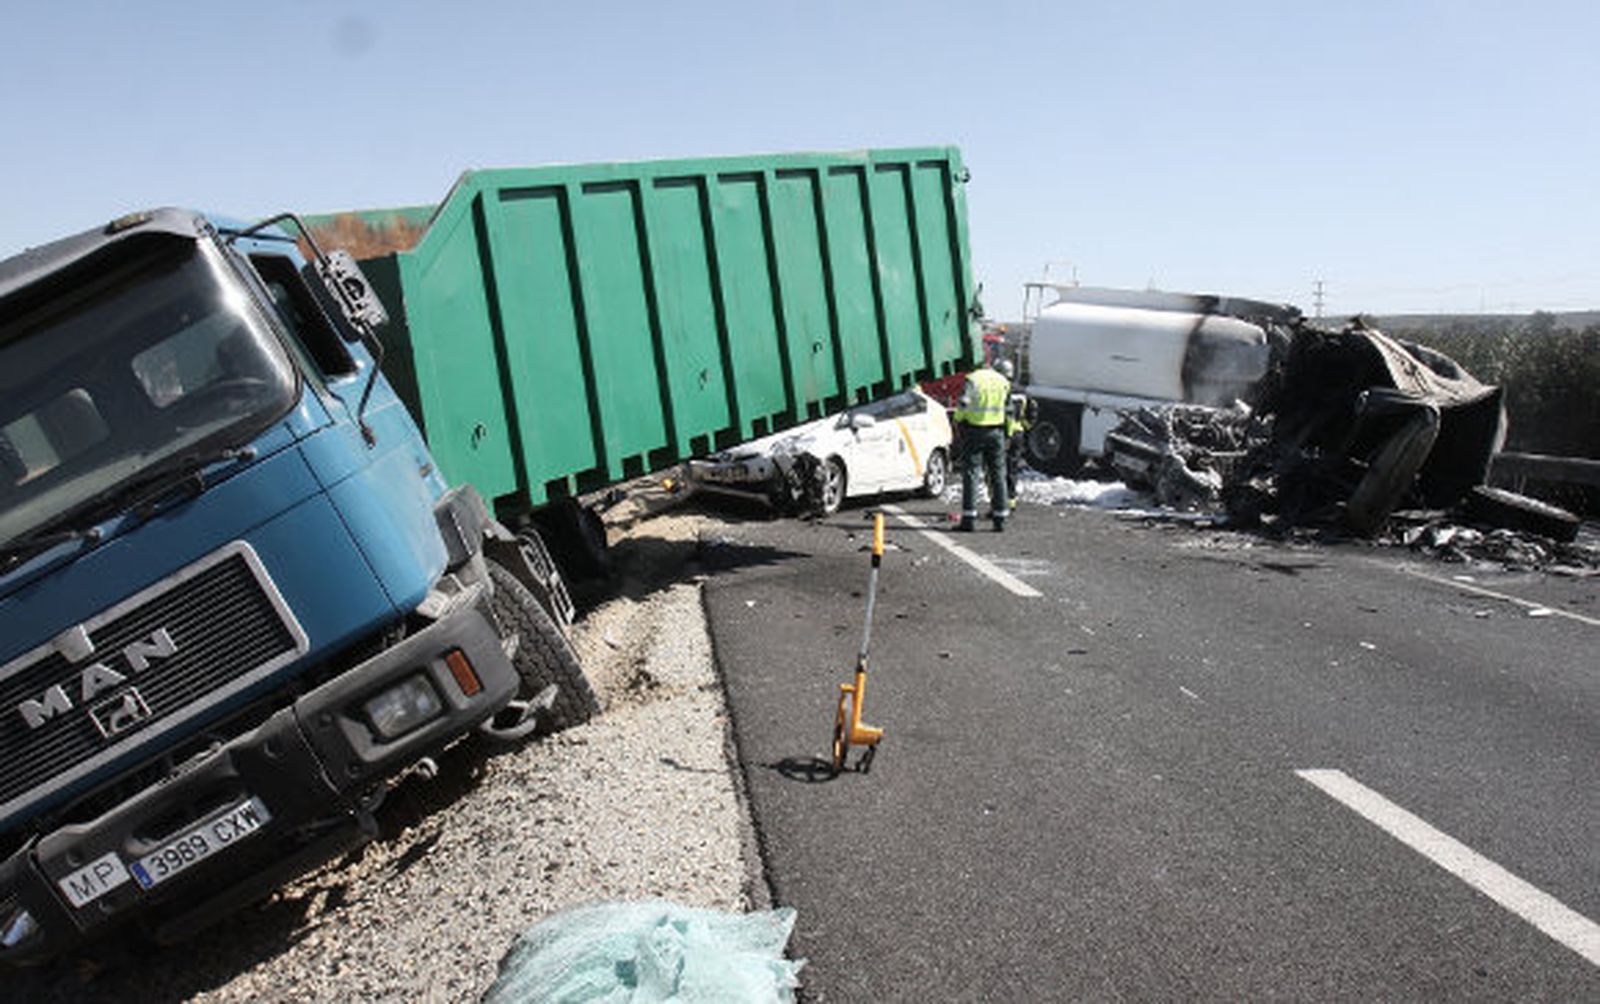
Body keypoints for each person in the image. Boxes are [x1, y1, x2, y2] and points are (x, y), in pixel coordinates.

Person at [952, 357, 1012, 531]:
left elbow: (964, 403)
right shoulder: (1003, 381)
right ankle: (1000, 518)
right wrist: (1007, 433)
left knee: (971, 473)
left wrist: (957, 420)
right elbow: (1009, 411)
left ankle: (969, 518)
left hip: (974, 431)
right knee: (998, 474)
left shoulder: (973, 379)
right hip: (997, 432)